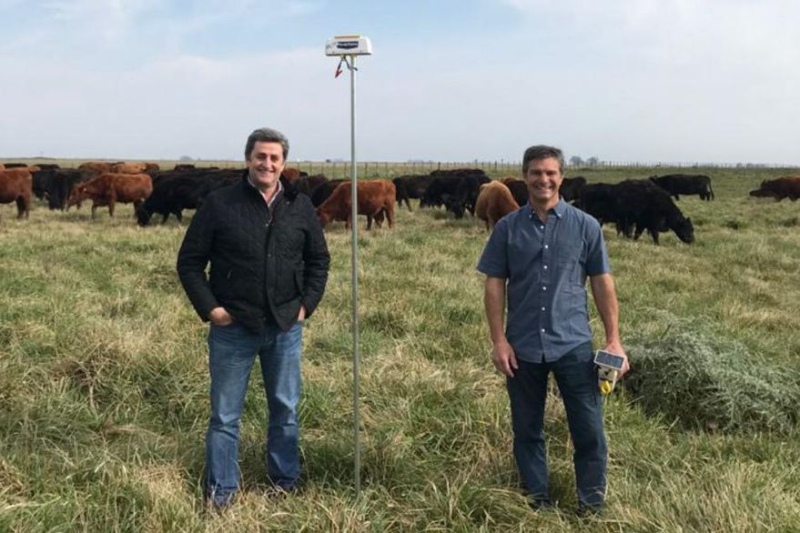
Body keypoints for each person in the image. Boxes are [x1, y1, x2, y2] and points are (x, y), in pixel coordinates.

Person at [177, 127, 330, 509]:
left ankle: (284, 482)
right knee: (225, 415)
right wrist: (212, 309)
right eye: (261, 156)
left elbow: (319, 261)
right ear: (248, 159)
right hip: (233, 329)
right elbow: (190, 263)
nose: (267, 164)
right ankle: (222, 493)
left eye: (275, 158)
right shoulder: (220, 204)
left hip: (284, 328)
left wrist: (305, 305)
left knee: (285, 409)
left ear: (284, 164)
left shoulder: (300, 205)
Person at [476, 145, 628, 515]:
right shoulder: (507, 229)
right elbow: (494, 283)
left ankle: (590, 504)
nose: (543, 180)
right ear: (524, 176)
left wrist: (613, 340)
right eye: (535, 173)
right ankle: (536, 500)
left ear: (561, 176)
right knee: (527, 430)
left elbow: (602, 282)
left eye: (550, 173)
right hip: (522, 347)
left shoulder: (586, 226)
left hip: (573, 344)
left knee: (589, 430)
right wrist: (499, 340)